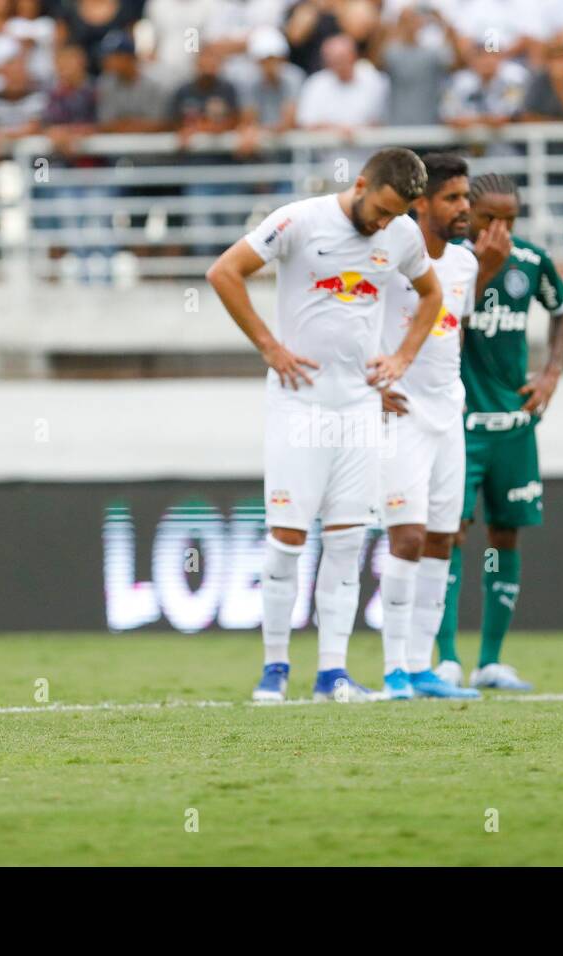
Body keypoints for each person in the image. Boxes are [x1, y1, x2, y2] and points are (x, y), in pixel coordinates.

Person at [205, 148, 442, 703]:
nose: (384, 223)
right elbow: (224, 272)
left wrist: (402, 358)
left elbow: (431, 294)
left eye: (396, 214)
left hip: (360, 407)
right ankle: (274, 669)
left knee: (347, 542)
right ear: (360, 184)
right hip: (299, 404)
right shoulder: (299, 220)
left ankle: (332, 673)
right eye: (380, 210)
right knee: (288, 540)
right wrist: (270, 346)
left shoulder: (403, 234)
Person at [434, 172, 563, 692]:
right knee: (449, 533)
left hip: (514, 427)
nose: (502, 230)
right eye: (491, 218)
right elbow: (444, 325)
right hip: (461, 426)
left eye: (510, 220)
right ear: (469, 214)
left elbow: (561, 310)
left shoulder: (532, 262)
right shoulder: (449, 263)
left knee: (504, 534)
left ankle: (489, 660)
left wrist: (551, 372)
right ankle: (446, 658)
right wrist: (483, 274)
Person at [376, 152, 481, 700]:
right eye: (453, 198)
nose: (465, 208)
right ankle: (394, 669)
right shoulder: (390, 258)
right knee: (408, 537)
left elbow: (453, 336)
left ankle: (422, 667)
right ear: (421, 205)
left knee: (444, 538)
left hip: (448, 417)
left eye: (466, 197)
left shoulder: (464, 264)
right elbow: (354, 314)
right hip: (401, 417)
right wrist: (369, 386)